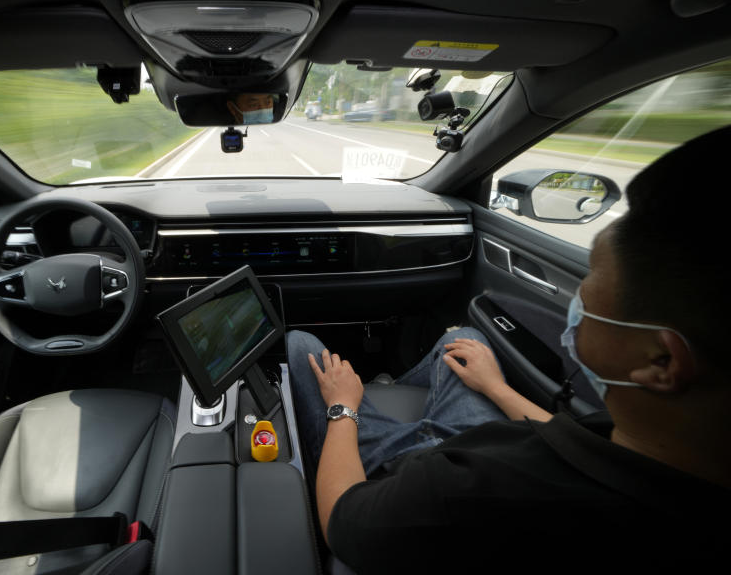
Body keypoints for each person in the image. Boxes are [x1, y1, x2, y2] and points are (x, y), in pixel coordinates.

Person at [288, 126, 731, 572]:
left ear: (661, 361)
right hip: (465, 443)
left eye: (592, 280)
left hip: (404, 471)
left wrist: (344, 407)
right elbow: (573, 440)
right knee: (465, 343)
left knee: (300, 345)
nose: (580, 299)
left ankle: (369, 400)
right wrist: (496, 388)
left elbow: (343, 521)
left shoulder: (474, 497)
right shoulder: (658, 450)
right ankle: (389, 391)